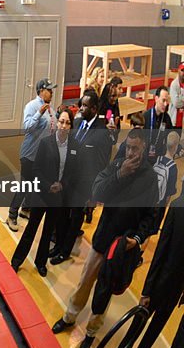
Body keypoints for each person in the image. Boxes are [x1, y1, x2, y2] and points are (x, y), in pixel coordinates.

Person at [52, 129, 163, 348]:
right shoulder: (116, 165)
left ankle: (91, 333)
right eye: (128, 147)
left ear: (144, 148)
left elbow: (151, 216)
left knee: (105, 292)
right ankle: (69, 317)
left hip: (122, 249)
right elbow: (97, 191)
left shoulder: (150, 178)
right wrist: (120, 174)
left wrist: (138, 239)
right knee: (84, 283)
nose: (131, 152)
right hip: (102, 240)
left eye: (135, 148)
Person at [112, 194, 184, 348]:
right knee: (134, 330)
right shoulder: (178, 207)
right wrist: (147, 290)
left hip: (174, 294)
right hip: (157, 286)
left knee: (149, 339)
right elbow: (161, 251)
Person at [51, 89, 114, 264]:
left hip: (84, 186)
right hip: (67, 181)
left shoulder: (102, 133)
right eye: (81, 104)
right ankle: (57, 246)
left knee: (74, 220)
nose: (80, 108)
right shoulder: (77, 123)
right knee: (62, 215)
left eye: (84, 106)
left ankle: (65, 251)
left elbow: (102, 166)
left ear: (94, 109)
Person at [11, 107, 74, 277]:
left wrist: (61, 185)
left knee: (47, 232)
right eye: (61, 121)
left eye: (68, 123)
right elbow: (37, 169)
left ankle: (41, 262)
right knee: (32, 228)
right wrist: (48, 186)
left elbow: (71, 171)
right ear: (57, 122)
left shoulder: (73, 147)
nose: (64, 126)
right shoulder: (46, 143)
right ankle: (16, 260)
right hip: (42, 194)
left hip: (57, 197)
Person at [7, 78, 57, 232]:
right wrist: (38, 114)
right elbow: (27, 128)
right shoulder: (32, 106)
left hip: (43, 156)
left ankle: (25, 209)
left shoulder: (51, 109)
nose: (52, 92)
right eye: (49, 90)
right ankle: (12, 215)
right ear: (41, 91)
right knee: (24, 185)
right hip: (29, 154)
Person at [170, 63, 184, 128]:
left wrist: (180, 99)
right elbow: (176, 103)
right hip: (175, 120)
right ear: (178, 70)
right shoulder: (174, 84)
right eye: (182, 70)